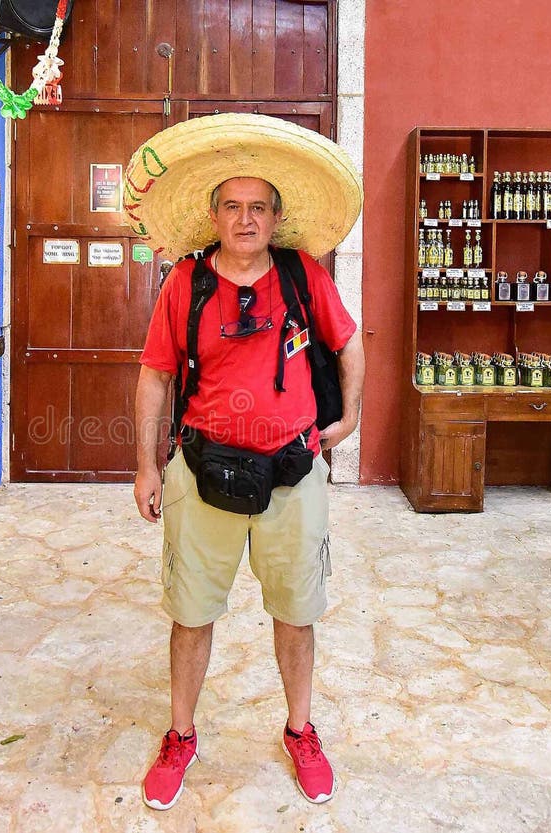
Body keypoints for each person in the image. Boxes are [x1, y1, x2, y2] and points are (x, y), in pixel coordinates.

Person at [125, 114, 365, 811]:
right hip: (201, 470)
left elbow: (348, 343)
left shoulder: (303, 276)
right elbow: (154, 377)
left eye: (258, 206)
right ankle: (180, 733)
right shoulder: (185, 284)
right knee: (191, 612)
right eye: (232, 205)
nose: (245, 217)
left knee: (296, 611)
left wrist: (349, 417)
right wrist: (146, 466)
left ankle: (300, 729)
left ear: (276, 217)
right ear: (214, 214)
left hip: (294, 472)